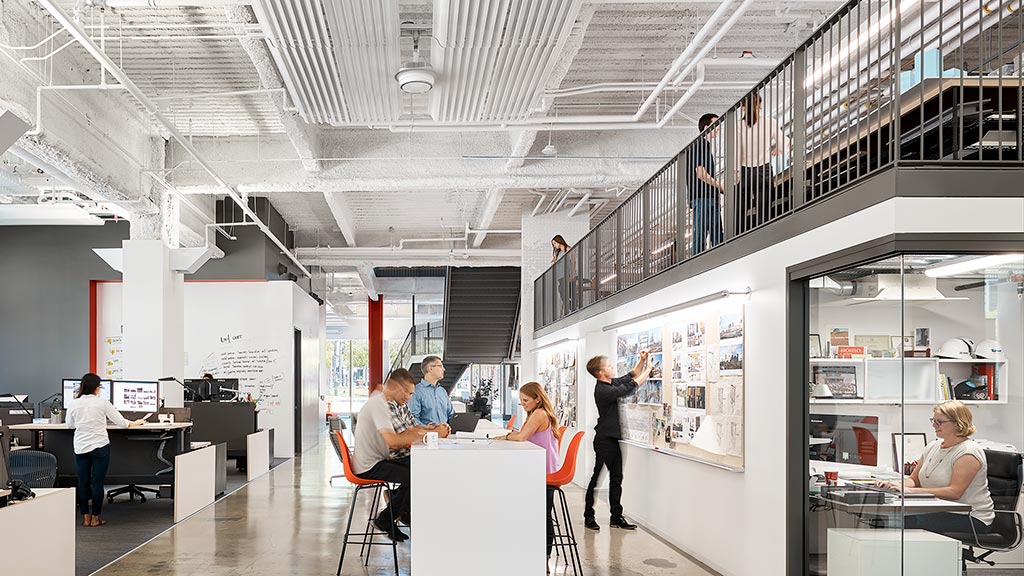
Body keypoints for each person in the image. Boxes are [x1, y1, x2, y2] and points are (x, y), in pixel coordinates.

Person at [354, 368, 449, 541]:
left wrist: (430, 431)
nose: (409, 398)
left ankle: (399, 503)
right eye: (408, 393)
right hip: (371, 465)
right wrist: (431, 434)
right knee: (417, 475)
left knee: (423, 469)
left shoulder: (392, 403)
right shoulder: (379, 405)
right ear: (397, 387)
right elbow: (393, 441)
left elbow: (409, 430)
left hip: (382, 458)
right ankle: (387, 518)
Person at [877, 400, 995, 535]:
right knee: (882, 518)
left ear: (958, 423)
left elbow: (955, 492)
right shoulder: (933, 446)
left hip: (971, 517)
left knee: (895, 521)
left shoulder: (968, 452)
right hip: (939, 510)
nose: (934, 425)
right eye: (933, 420)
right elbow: (914, 480)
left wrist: (910, 491)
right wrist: (895, 485)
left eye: (939, 422)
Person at [583, 351, 652, 531]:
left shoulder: (610, 383)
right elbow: (630, 387)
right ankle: (589, 517)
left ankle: (616, 518)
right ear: (600, 372)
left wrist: (642, 360)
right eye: (608, 365)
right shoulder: (604, 391)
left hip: (613, 440)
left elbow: (632, 375)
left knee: (616, 479)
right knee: (596, 479)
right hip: (604, 441)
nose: (611, 366)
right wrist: (649, 369)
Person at [65, 373, 145, 527]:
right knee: (98, 483)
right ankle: (95, 518)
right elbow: (121, 423)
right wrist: (135, 422)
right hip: (100, 446)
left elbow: (69, 425)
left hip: (81, 447)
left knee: (82, 482)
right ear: (97, 388)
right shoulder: (102, 403)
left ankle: (85, 518)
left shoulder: (74, 403)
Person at [501, 382, 563, 568]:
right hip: (543, 467)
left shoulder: (539, 414)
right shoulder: (538, 412)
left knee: (543, 514)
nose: (522, 404)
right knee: (542, 512)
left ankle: (543, 556)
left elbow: (521, 437)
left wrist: (506, 437)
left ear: (537, 399)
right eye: (521, 400)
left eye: (525, 400)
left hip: (544, 471)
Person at [735, 92, 789, 233]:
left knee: (740, 208)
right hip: (763, 170)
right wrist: (779, 149)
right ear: (760, 105)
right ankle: (764, 234)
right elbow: (784, 143)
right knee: (764, 209)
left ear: (743, 107)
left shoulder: (737, 126)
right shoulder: (770, 122)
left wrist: (736, 173)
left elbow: (736, 151)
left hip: (744, 171)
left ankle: (738, 235)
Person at [687, 113, 724, 255]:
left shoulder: (705, 146)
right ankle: (698, 261)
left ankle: (719, 259)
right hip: (702, 197)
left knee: (716, 234)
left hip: (709, 197)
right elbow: (701, 174)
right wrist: (720, 186)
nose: (718, 128)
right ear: (706, 127)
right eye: (716, 124)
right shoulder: (699, 145)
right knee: (702, 234)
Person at [407, 356, 454, 429]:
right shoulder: (416, 391)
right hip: (427, 434)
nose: (444, 369)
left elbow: (451, 414)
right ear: (430, 369)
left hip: (446, 434)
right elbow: (412, 417)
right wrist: (426, 428)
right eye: (440, 366)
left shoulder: (442, 391)